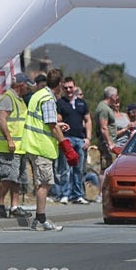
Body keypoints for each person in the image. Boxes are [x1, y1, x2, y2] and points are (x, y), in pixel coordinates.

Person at [22, 68, 78, 231]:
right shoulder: (47, 98)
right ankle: (41, 219)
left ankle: (39, 218)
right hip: (41, 146)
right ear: (60, 84)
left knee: (42, 183)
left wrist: (57, 125)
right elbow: (51, 125)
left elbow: (44, 121)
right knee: (45, 184)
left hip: (33, 144)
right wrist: (66, 147)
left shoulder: (38, 95)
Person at [0, 72, 34, 218]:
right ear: (21, 85)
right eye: (27, 86)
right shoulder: (8, 98)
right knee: (8, 176)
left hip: (19, 146)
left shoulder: (20, 100)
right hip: (9, 145)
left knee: (16, 177)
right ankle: (0, 204)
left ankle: (14, 206)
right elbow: (2, 120)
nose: (28, 89)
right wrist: (9, 140)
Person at [55, 76, 93, 204]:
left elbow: (88, 120)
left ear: (75, 87)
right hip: (66, 139)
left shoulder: (82, 103)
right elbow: (57, 119)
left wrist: (88, 138)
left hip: (80, 139)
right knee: (65, 168)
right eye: (66, 88)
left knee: (79, 169)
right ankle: (64, 193)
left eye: (71, 87)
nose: (69, 90)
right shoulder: (60, 103)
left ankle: (77, 194)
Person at [94, 86, 119, 172]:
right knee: (106, 168)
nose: (117, 98)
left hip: (109, 143)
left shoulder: (107, 108)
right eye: (116, 96)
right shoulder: (104, 109)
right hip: (106, 144)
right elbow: (103, 127)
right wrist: (110, 143)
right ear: (112, 96)